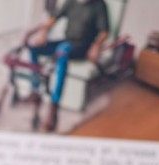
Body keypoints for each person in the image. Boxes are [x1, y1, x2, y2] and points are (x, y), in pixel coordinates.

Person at [24, 0, 109, 131]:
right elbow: (55, 17)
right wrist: (44, 31)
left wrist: (96, 45)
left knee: (62, 52)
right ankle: (35, 90)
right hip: (67, 42)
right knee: (34, 48)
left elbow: (104, 32)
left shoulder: (99, 5)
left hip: (82, 47)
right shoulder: (71, 2)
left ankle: (54, 107)